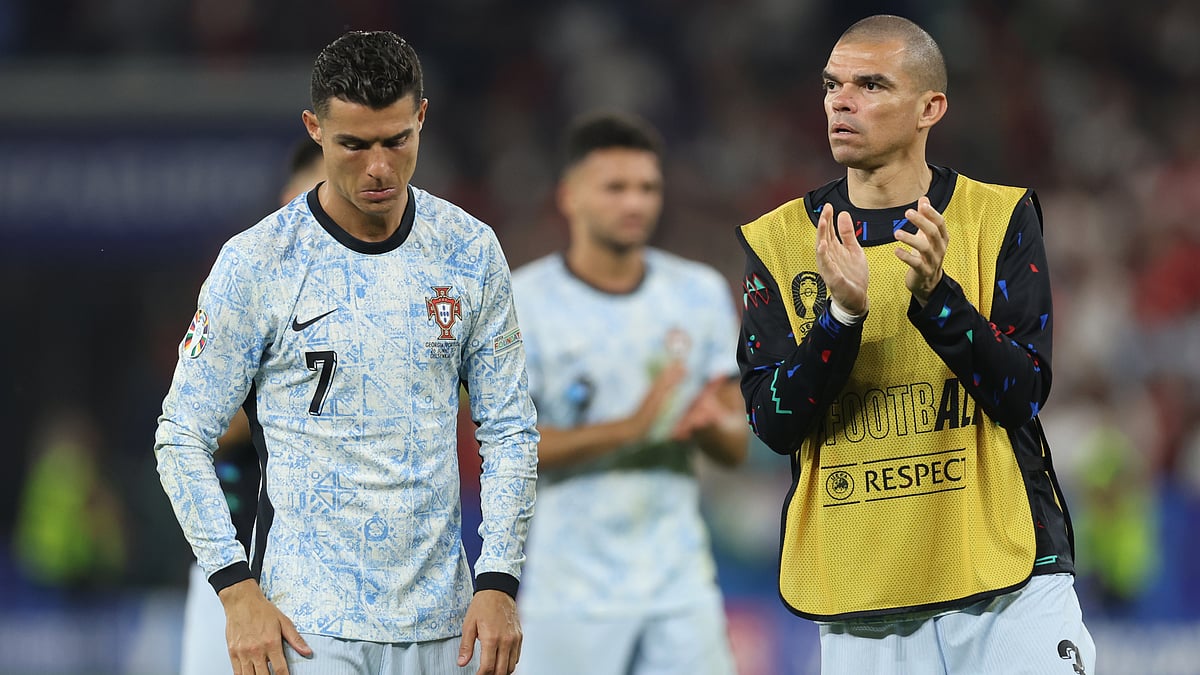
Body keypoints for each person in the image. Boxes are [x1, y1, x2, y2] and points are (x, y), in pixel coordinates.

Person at [154, 31, 538, 675]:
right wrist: (236, 588)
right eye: (354, 145)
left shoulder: (470, 251)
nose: (379, 168)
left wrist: (499, 578)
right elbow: (180, 435)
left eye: (396, 140)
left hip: (444, 624)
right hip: (308, 627)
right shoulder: (257, 263)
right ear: (315, 129)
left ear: (422, 117)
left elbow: (509, 428)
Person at [735, 15, 1095, 675]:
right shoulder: (779, 242)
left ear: (931, 107)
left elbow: (1022, 393)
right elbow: (773, 423)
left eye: (871, 84)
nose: (841, 101)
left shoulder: (998, 216)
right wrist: (840, 318)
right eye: (832, 85)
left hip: (1008, 579)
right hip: (863, 594)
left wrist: (937, 296)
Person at [510, 112, 748, 675]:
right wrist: (633, 427)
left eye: (647, 188)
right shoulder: (525, 302)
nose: (635, 203)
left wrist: (709, 423)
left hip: (679, 585)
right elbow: (507, 451)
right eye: (615, 187)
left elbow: (736, 446)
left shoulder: (698, 293)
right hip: (569, 592)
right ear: (569, 196)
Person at [177, 136, 324, 675]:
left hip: (334, 574)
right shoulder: (246, 280)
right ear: (287, 197)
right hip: (235, 568)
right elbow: (199, 426)